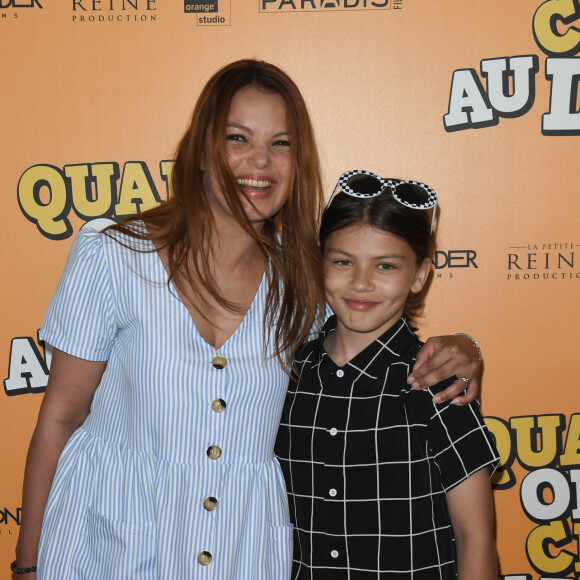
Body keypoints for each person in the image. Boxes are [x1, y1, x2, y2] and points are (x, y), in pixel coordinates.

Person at [13, 62, 482, 579]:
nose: (260, 162)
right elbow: (59, 417)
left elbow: (371, 317)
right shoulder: (113, 254)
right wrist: (29, 563)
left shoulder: (304, 276)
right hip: (110, 545)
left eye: (280, 144)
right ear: (202, 151)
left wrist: (466, 346)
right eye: (239, 138)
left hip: (241, 553)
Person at [275, 170, 499, 579]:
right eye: (343, 261)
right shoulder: (285, 374)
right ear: (319, 261)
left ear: (418, 275)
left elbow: (475, 538)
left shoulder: (438, 384)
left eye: (385, 266)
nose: (361, 283)